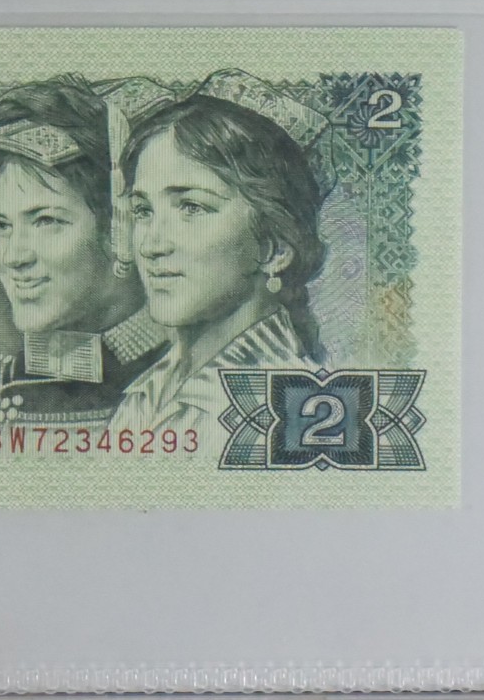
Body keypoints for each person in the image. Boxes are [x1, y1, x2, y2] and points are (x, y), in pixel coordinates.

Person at [0, 74, 175, 461]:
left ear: (120, 228)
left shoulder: (199, 385)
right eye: (3, 226)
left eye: (45, 221)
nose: (13, 256)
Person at [107, 69, 328, 439]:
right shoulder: (147, 393)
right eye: (143, 211)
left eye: (191, 207)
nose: (150, 246)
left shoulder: (288, 410)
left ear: (274, 248)